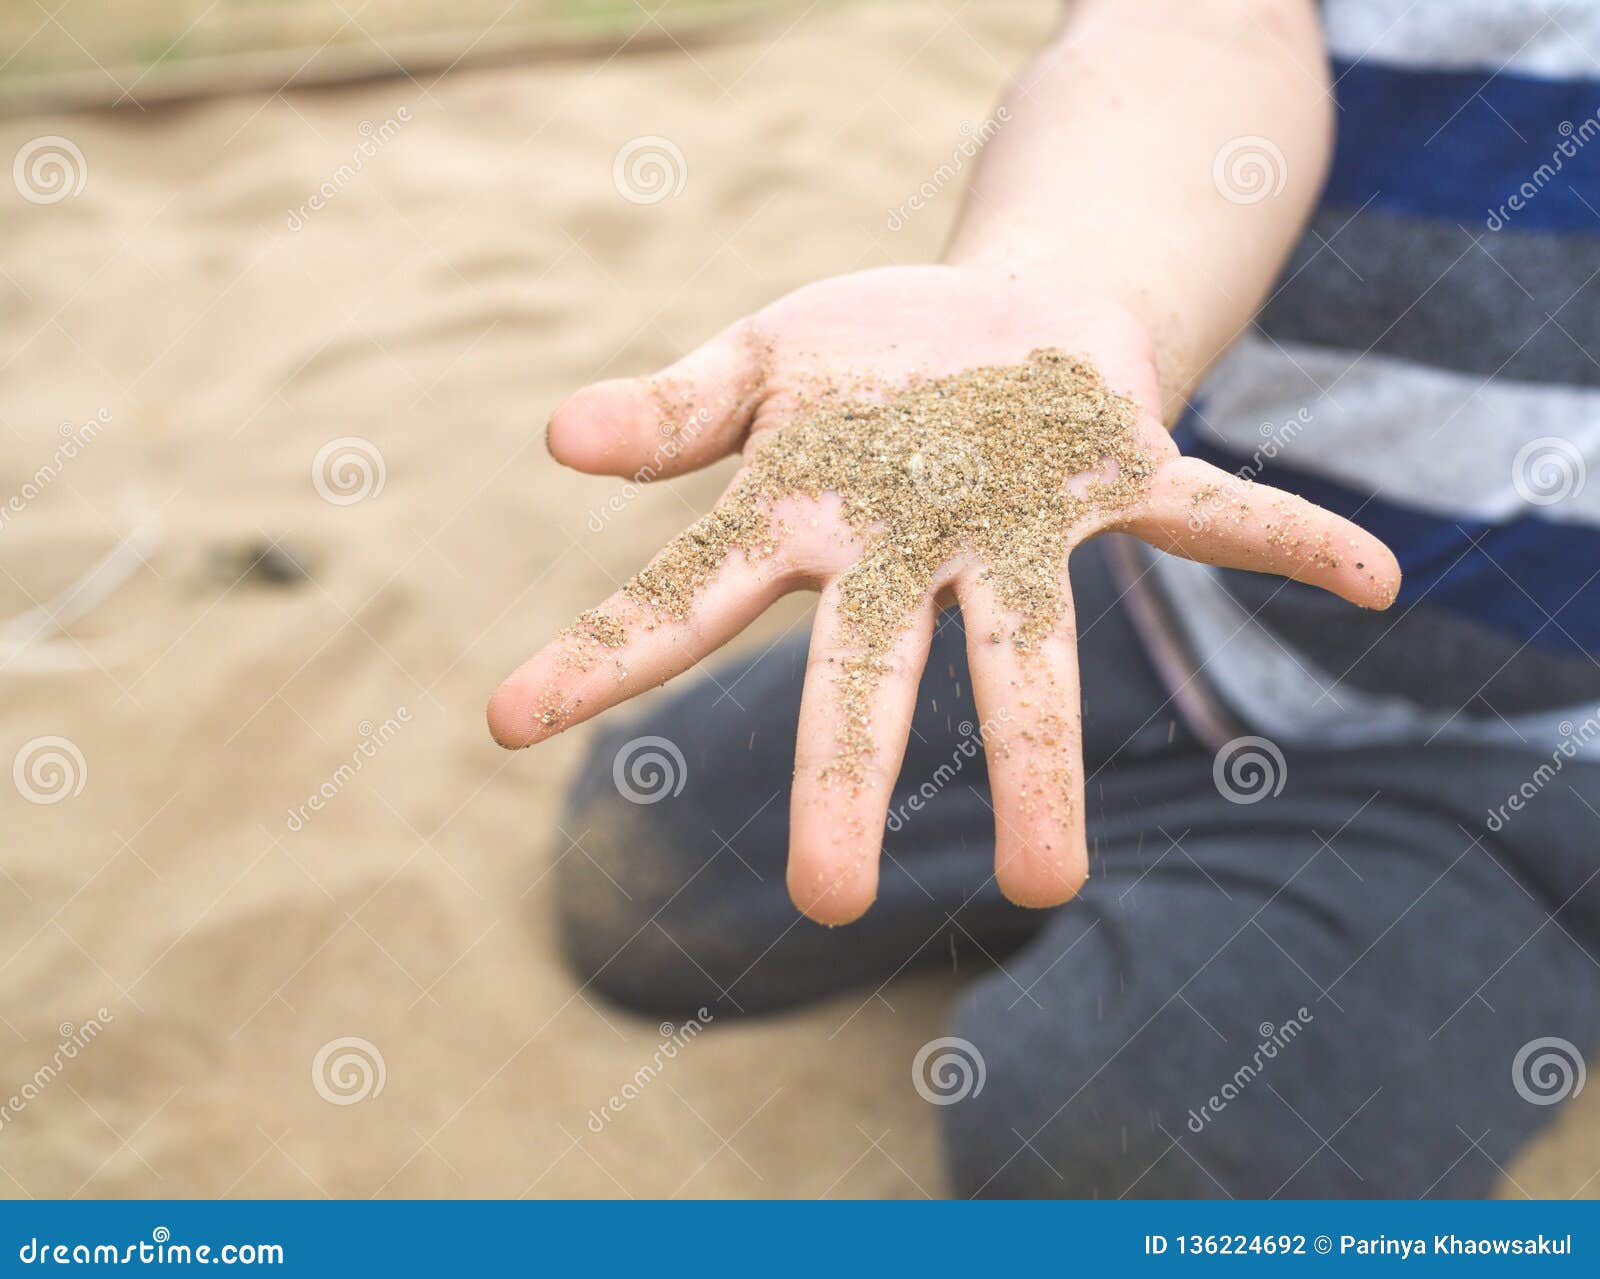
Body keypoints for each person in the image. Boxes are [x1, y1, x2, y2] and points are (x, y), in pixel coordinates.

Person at [488, 0, 1600, 1197]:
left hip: (1533, 760)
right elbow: (1198, 33)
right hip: (1185, 611)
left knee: (1101, 1148)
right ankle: (1175, 882)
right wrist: (1062, 284)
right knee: (641, 873)